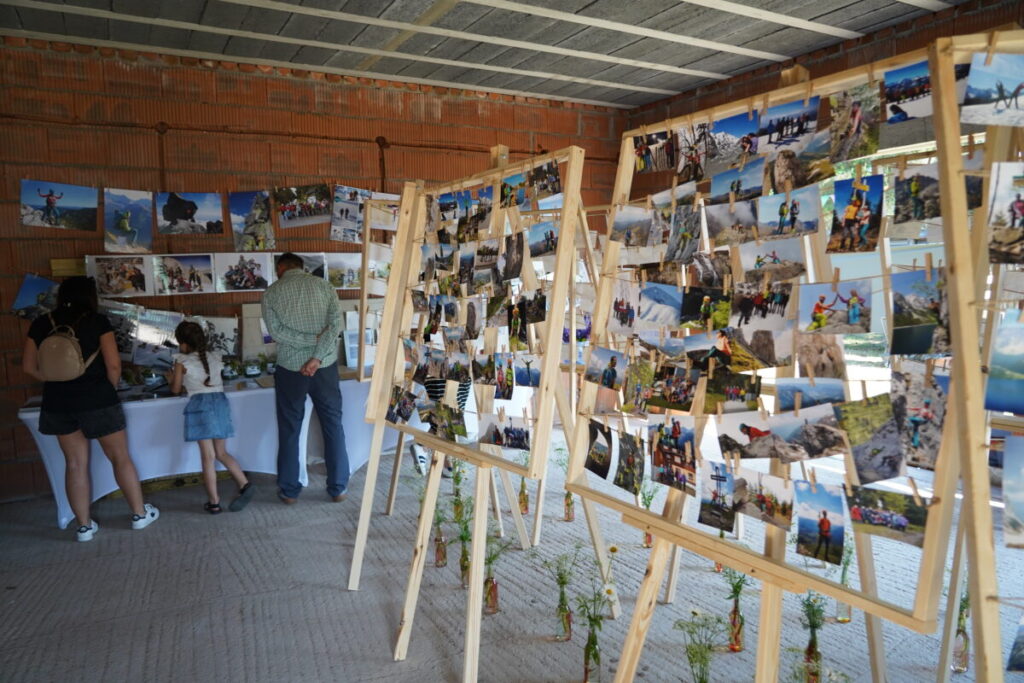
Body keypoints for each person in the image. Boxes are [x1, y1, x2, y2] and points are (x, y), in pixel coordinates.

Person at [22, 276, 159, 541]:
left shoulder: (41, 323)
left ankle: (84, 527)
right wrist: (103, 390)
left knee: (74, 463)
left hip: (58, 402)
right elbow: (114, 366)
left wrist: (56, 379)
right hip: (97, 398)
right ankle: (139, 515)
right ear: (90, 296)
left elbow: (29, 367)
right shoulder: (97, 321)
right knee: (120, 457)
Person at [262, 253, 349, 504]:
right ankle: (338, 488)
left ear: (280, 268)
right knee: (333, 424)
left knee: (290, 428)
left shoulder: (271, 293)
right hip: (325, 366)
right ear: (302, 267)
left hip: (290, 369)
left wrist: (307, 348)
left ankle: (289, 490)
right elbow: (336, 326)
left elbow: (276, 333)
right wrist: (317, 355)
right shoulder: (325, 286)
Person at [169, 321, 254, 514]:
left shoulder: (182, 361)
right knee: (221, 453)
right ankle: (245, 484)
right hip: (220, 403)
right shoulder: (215, 356)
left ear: (182, 343)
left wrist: (170, 378)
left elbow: (175, 389)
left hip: (201, 406)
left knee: (208, 458)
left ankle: (214, 502)